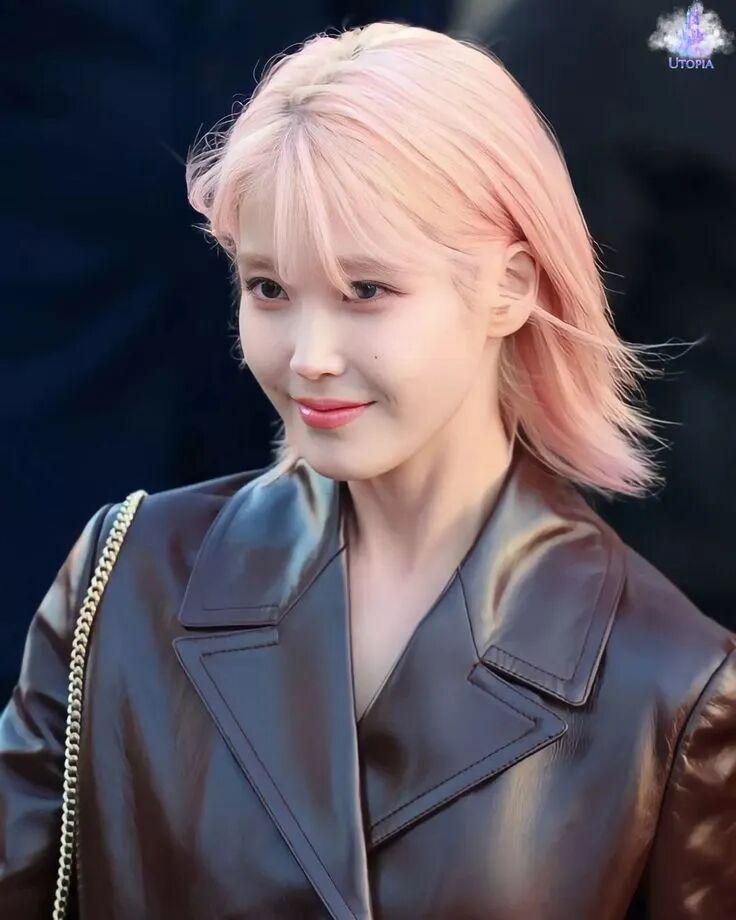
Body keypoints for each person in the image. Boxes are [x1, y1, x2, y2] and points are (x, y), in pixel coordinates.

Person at [1, 21, 734, 920]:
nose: (309, 355)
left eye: (367, 292)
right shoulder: (125, 576)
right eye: (268, 288)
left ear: (509, 288)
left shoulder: (675, 684)